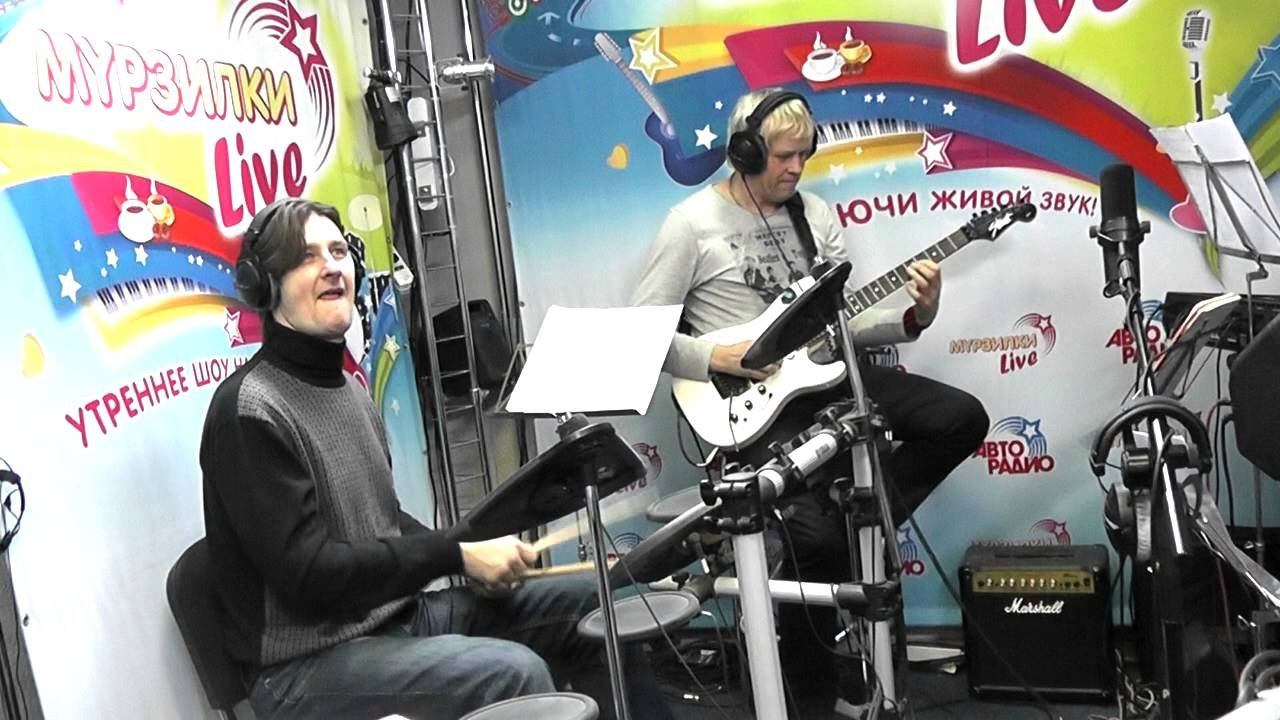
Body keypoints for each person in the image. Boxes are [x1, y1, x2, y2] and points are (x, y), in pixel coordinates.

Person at [201, 198, 673, 720]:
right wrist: (456, 555)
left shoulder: (349, 389)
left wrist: (469, 549)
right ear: (264, 286)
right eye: (307, 257)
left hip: (396, 619)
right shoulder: (250, 409)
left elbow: (380, 521)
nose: (331, 267)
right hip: (303, 669)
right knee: (511, 673)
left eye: (338, 251)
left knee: (596, 603)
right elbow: (311, 576)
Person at [630, 89, 989, 717]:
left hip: (828, 377)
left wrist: (914, 316)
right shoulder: (690, 225)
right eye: (782, 156)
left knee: (960, 418)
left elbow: (843, 320)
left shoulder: (813, 215)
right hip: (750, 404)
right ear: (745, 151)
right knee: (809, 540)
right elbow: (638, 334)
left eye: (804, 154)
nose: (796, 168)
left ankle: (858, 527)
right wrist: (718, 357)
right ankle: (812, 697)